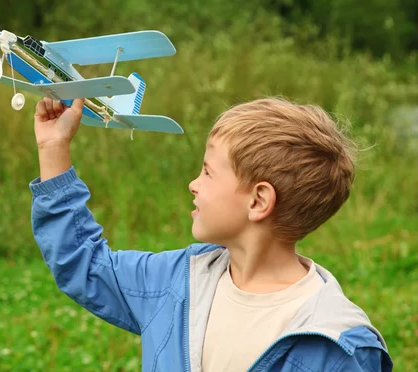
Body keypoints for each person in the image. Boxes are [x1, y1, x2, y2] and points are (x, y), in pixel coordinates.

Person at [29, 97, 393, 371]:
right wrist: (53, 148)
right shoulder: (177, 281)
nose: (193, 184)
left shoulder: (339, 344)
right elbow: (87, 265)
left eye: (207, 172)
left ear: (258, 200)